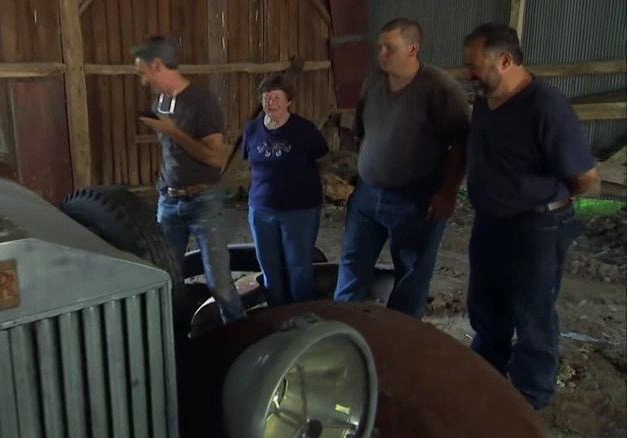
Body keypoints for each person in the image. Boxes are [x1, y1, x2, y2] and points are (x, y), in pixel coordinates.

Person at [462, 23, 600, 410]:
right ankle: (487, 377)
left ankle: (529, 400)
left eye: (474, 65)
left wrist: (540, 203)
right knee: (487, 307)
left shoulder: (546, 107)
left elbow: (586, 180)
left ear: (505, 60)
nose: (467, 73)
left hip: (536, 227)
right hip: (490, 222)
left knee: (533, 313)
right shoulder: (485, 99)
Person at [333, 18, 470, 318]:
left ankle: (400, 342)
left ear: (412, 49)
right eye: (379, 47)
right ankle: (339, 333)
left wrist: (448, 193)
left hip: (416, 200)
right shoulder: (373, 83)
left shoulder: (440, 88)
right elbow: (361, 132)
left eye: (389, 48)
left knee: (411, 276)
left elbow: (460, 145)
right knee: (352, 267)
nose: (381, 53)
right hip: (368, 197)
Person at [133, 36, 245, 323]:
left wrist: (175, 132)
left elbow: (214, 158)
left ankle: (240, 334)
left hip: (202, 201)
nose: (143, 81)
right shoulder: (160, 102)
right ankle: (174, 340)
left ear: (157, 65)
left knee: (219, 284)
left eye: (143, 72)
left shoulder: (200, 101)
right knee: (164, 278)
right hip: (168, 201)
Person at [242, 73, 330, 306]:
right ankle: (277, 313)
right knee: (269, 266)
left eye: (277, 97)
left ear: (288, 101)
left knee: (298, 266)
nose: (271, 103)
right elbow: (250, 162)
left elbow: (323, 159)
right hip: (261, 211)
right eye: (267, 98)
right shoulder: (252, 129)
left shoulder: (304, 130)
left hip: (299, 210)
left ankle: (301, 314)